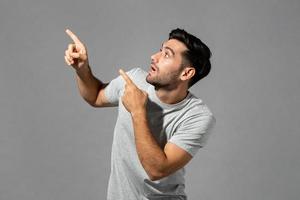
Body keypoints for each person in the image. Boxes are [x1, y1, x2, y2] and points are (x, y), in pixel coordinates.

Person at [64, 28, 216, 200]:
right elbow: (96, 96)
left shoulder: (198, 117)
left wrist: (137, 111)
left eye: (167, 54)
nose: (154, 56)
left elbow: (157, 170)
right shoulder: (134, 80)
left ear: (186, 73)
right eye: (160, 50)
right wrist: (82, 70)